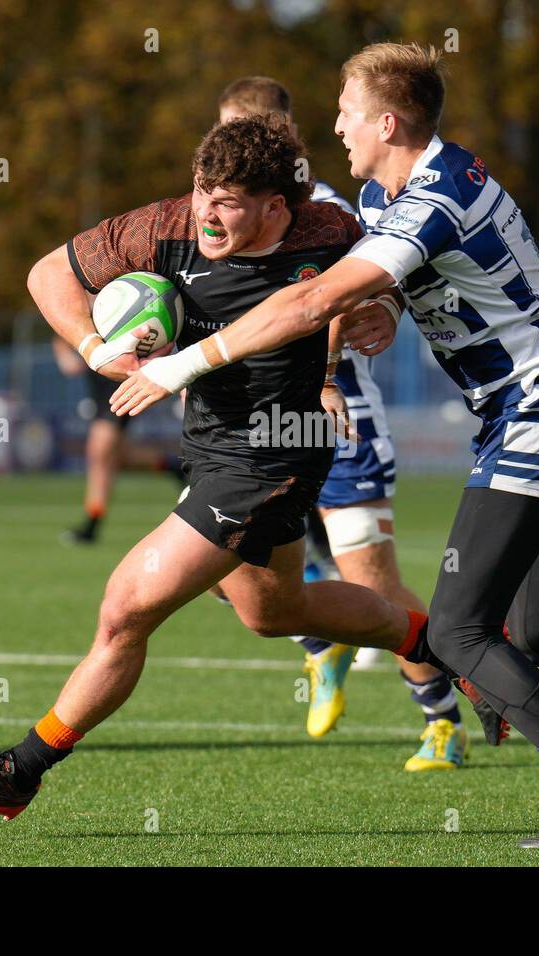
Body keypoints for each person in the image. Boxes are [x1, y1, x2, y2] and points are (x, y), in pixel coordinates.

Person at [108, 42, 539, 850]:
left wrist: (183, 364)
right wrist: (385, 316)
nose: (333, 125)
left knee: (456, 631)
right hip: (533, 411)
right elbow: (393, 292)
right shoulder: (388, 193)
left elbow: (311, 302)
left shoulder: (433, 198)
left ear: (386, 120)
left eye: (344, 110)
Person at [0, 115, 428, 822]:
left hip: (275, 453)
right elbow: (48, 275)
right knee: (274, 610)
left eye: (226, 200)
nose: (205, 212)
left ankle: (20, 770)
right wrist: (98, 350)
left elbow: (397, 274)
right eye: (201, 190)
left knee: (126, 607)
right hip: (211, 445)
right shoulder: (160, 227)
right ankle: (443, 643)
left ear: (274, 207)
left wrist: (385, 307)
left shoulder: (328, 234)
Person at [217, 75, 464, 770]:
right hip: (253, 426)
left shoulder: (325, 209)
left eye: (250, 136)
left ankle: (443, 720)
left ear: (283, 138)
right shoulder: (220, 211)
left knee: (373, 587)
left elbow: (325, 302)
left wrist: (324, 380)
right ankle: (321, 642)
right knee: (211, 562)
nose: (234, 151)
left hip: (336, 420)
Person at [51, 336, 182, 544]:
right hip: (99, 383)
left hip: (119, 382)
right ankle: (174, 466)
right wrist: (62, 349)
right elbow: (63, 321)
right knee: (119, 458)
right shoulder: (88, 307)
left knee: (99, 452)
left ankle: (92, 524)